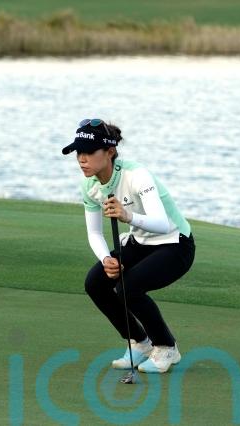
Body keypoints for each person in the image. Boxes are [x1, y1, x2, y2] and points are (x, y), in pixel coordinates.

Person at [62, 118, 195, 373]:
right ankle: (140, 342)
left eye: (89, 152)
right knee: (95, 283)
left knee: (128, 287)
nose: (81, 159)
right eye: (78, 152)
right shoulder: (89, 186)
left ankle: (166, 347)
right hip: (140, 242)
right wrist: (106, 259)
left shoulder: (137, 175)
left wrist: (127, 216)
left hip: (175, 243)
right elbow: (94, 233)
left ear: (110, 152)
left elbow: (161, 224)